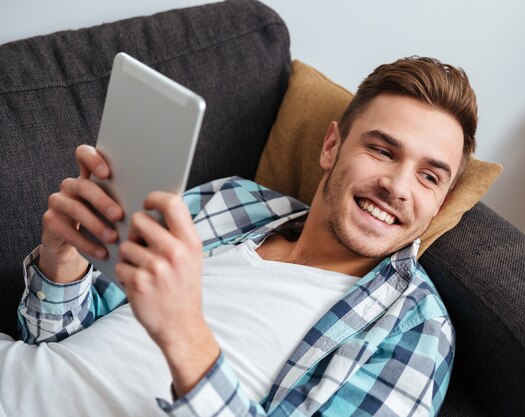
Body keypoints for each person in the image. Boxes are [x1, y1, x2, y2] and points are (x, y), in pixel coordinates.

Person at [18, 56, 477, 416]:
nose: (397, 187)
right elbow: (55, 342)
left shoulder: (415, 329)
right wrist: (64, 264)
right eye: (381, 150)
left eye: (429, 177)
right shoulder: (230, 200)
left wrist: (183, 333)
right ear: (331, 146)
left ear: (440, 201)